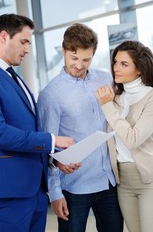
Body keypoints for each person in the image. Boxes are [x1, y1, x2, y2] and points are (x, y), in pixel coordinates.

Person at [0, 13, 75, 232]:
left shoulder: (13, 77)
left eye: (29, 43)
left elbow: (27, 130)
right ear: (4, 36)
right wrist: (53, 140)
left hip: (35, 189)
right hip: (9, 191)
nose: (27, 50)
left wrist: (54, 159)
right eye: (23, 42)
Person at [37, 23, 124, 232]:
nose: (79, 65)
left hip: (109, 184)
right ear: (64, 51)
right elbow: (47, 148)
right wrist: (55, 193)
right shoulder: (51, 94)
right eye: (74, 58)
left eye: (86, 59)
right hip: (74, 188)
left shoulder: (105, 79)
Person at [96, 40, 153, 232]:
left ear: (139, 69)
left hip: (151, 181)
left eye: (124, 64)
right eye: (115, 62)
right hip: (124, 182)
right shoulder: (116, 98)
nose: (116, 68)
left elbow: (133, 139)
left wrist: (107, 106)